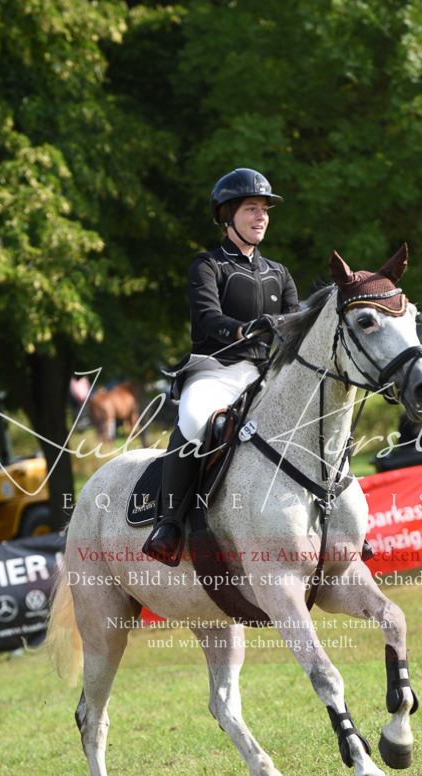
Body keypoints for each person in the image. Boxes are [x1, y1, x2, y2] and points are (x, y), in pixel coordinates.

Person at [143, 167, 301, 565]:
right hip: (216, 370)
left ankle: (342, 521)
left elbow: (295, 324)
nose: (261, 216)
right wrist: (246, 329)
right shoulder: (207, 266)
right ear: (227, 216)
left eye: (265, 209)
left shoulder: (279, 273)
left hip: (263, 375)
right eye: (251, 209)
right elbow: (208, 319)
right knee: (196, 420)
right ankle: (170, 523)